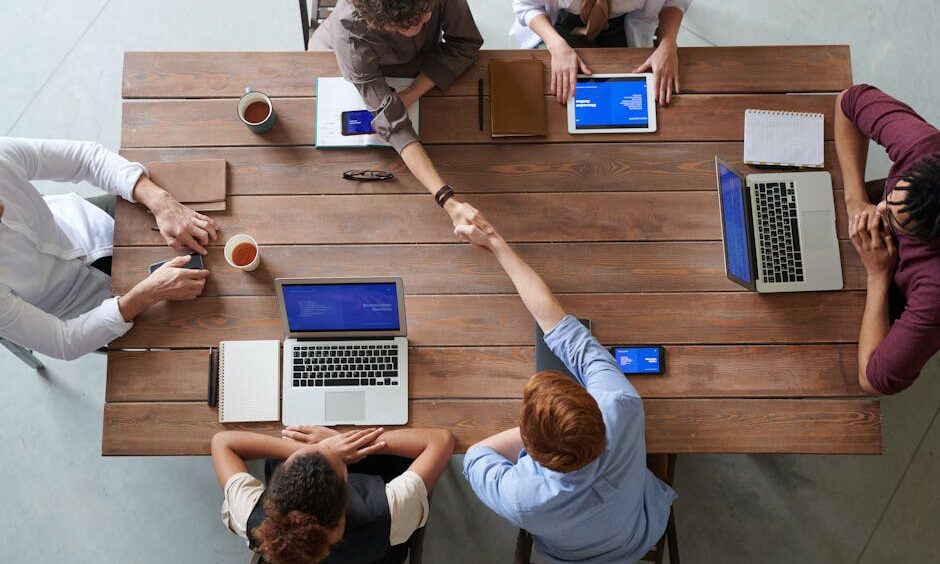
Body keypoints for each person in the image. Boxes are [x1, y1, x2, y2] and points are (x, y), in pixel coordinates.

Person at [455, 218, 676, 562]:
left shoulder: (521, 497)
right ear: (595, 413)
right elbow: (563, 330)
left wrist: (496, 243)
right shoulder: (620, 405)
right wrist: (497, 241)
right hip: (642, 529)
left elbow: (474, 457)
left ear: (527, 446)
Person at [0, 137, 217, 360]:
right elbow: (63, 342)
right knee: (191, 337)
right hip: (84, 309)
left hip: (89, 221)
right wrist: (147, 294)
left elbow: (85, 158)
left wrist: (161, 202)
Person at [310, 0, 491, 234]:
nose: (428, 19)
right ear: (383, 22)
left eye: (427, 11)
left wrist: (411, 93)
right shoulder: (350, 33)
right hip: (341, 60)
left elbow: (466, 43)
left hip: (416, 60)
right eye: (410, 23)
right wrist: (447, 200)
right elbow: (394, 124)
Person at [212, 425, 454, 564]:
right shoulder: (389, 513)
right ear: (347, 491)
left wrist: (322, 448)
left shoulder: (251, 519)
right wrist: (349, 442)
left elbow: (223, 441)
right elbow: (441, 440)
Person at [835, 84, 940, 395]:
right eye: (891, 198)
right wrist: (855, 201)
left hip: (888, 280)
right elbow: (849, 100)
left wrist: (878, 274)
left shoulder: (935, 288)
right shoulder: (925, 147)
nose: (880, 208)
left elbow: (874, 380)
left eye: (895, 220)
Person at [511, 0, 693, 105]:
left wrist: (668, 43)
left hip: (621, 25)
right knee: (556, 95)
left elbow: (673, 2)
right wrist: (556, 45)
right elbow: (527, 4)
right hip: (560, 24)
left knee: (627, 100)